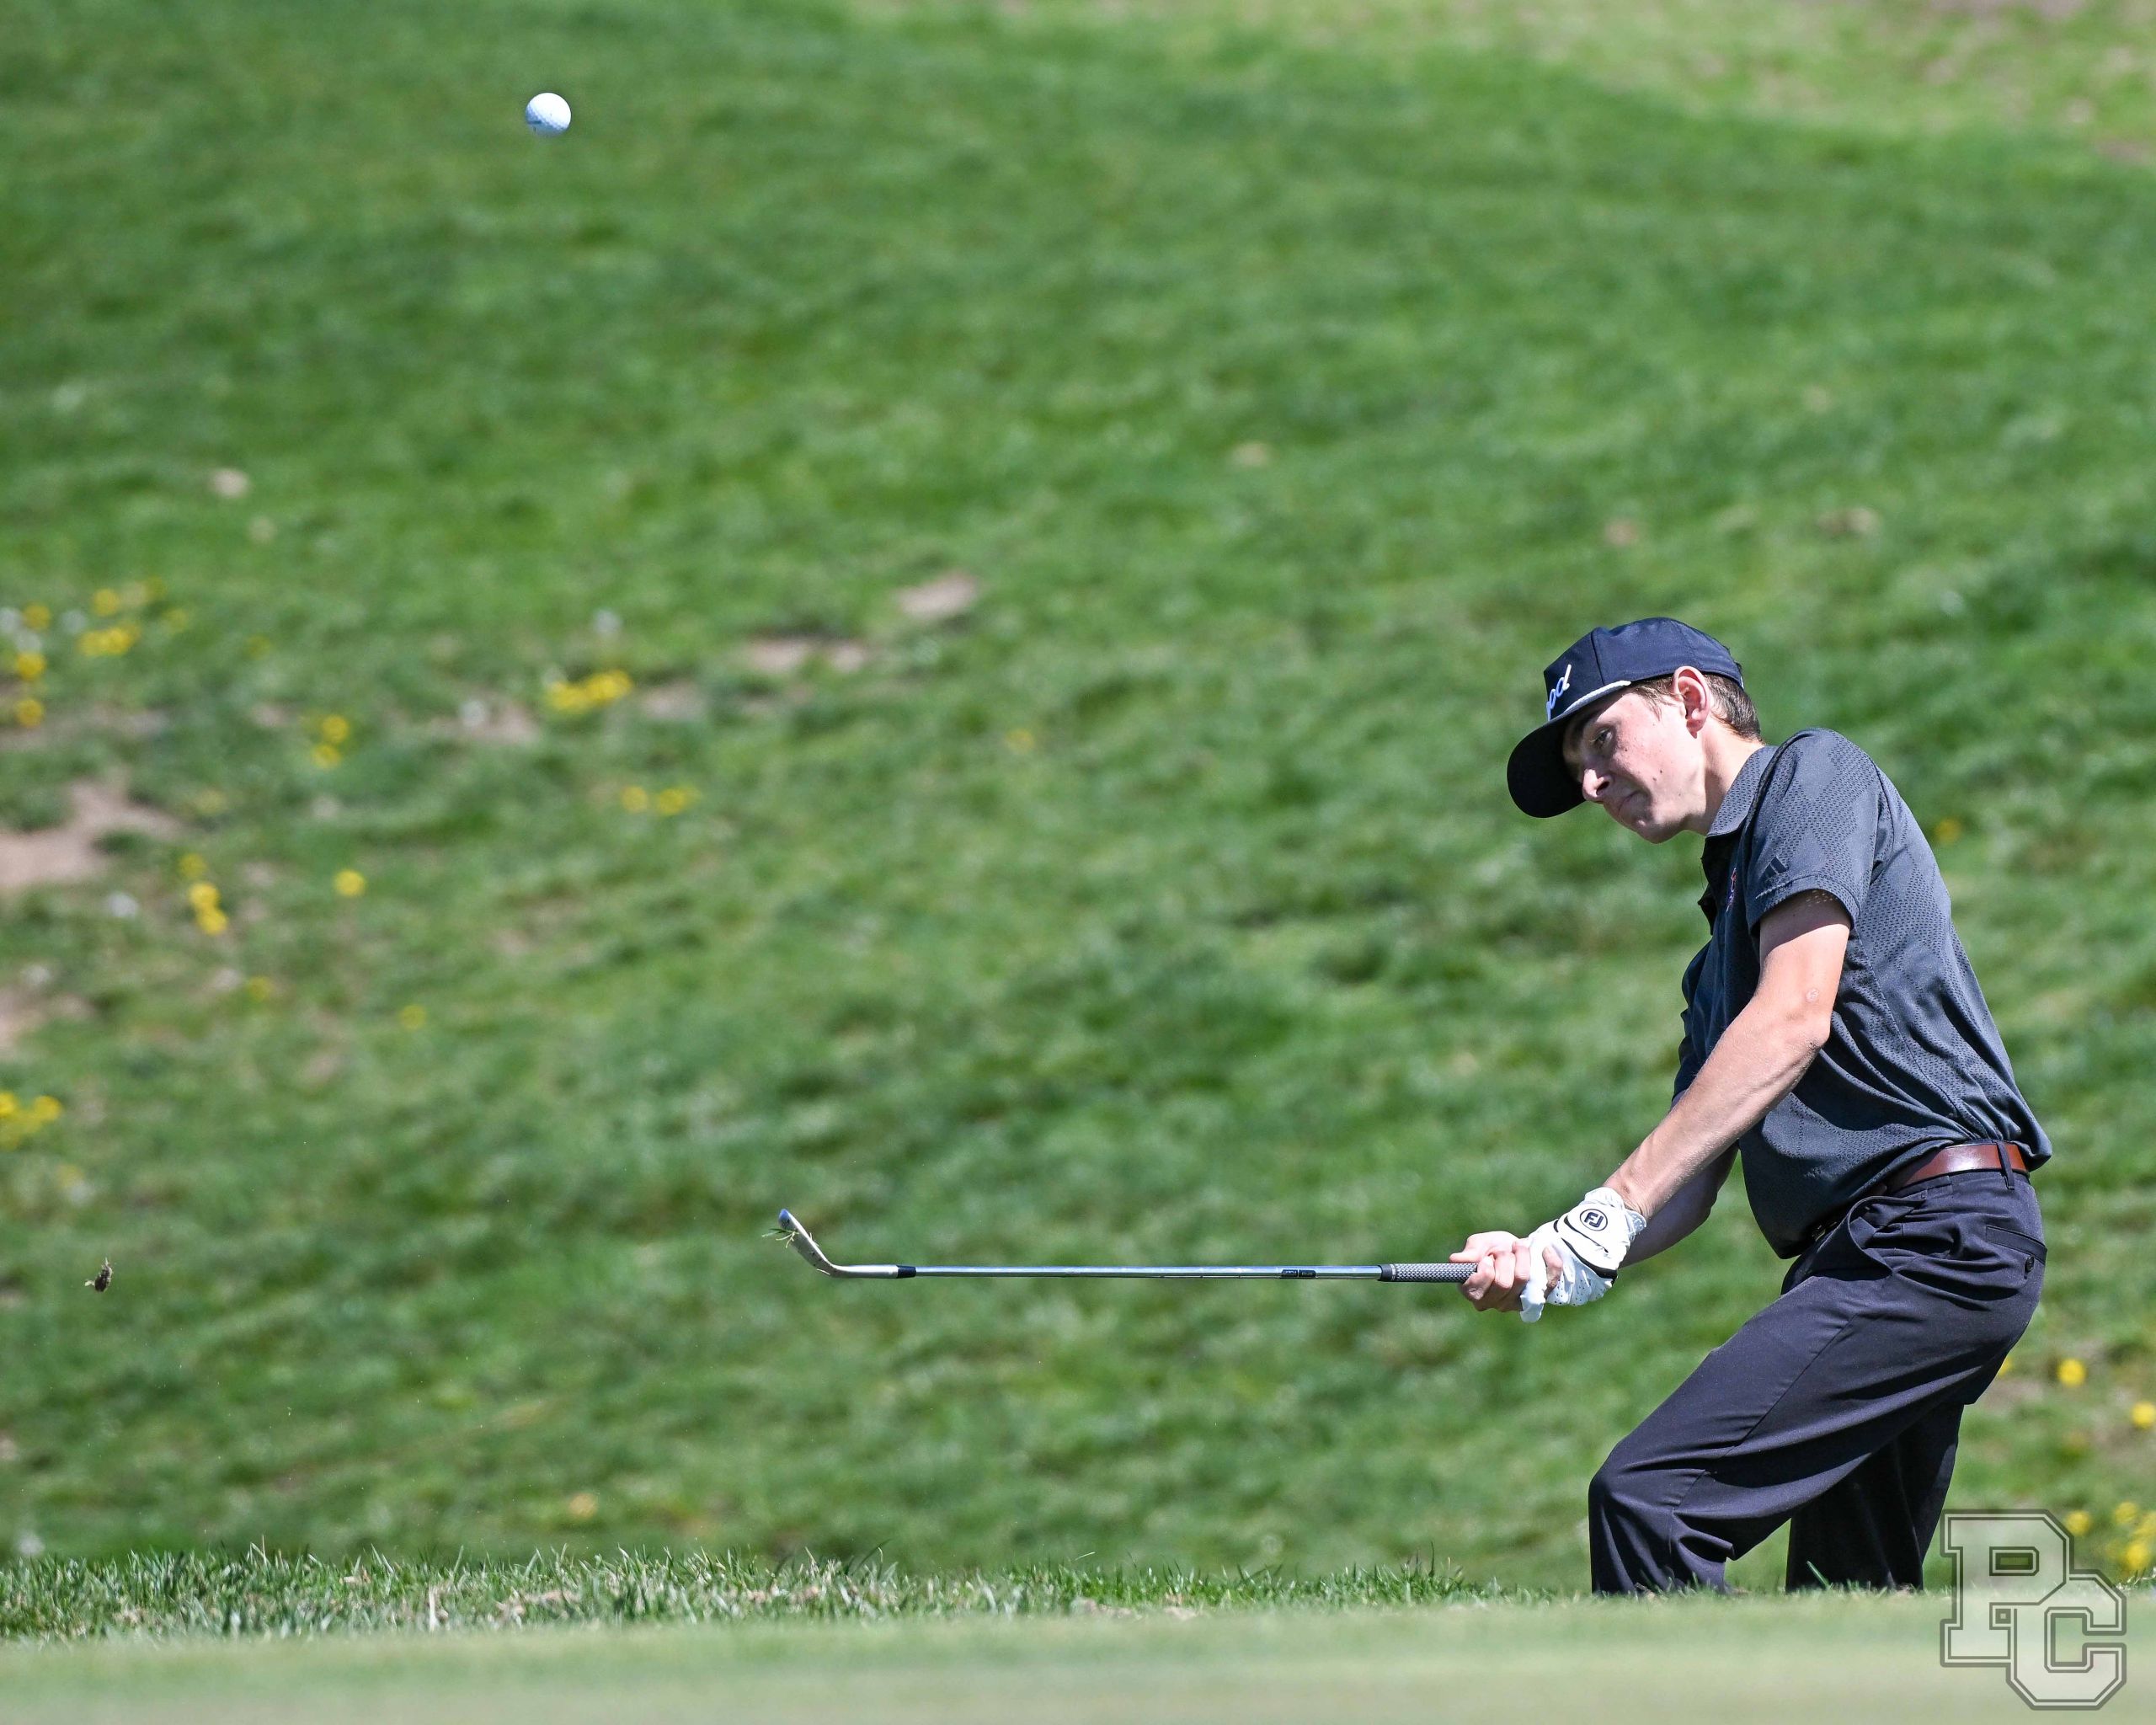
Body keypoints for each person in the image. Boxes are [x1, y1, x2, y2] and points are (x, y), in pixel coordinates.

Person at [1453, 617, 2050, 1595]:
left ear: (1691, 699)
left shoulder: (1811, 776)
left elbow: (1793, 1018)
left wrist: (1606, 1210)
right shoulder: (1716, 962)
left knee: (1652, 1499)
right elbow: (1688, 1184)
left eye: (1601, 740)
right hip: (1870, 1257)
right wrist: (1549, 1256)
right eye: (1577, 769)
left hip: (1934, 1239)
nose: (1591, 784)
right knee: (1847, 1592)